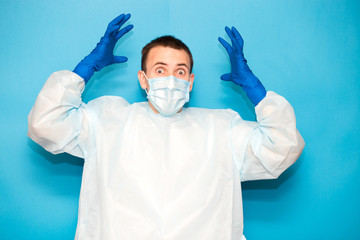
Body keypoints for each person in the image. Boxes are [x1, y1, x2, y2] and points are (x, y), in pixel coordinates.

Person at [28, 13, 304, 240]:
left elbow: (281, 148)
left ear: (191, 81)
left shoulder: (221, 128)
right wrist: (84, 69)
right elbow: (46, 124)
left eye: (180, 71)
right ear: (143, 79)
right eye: (160, 70)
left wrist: (256, 91)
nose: (171, 79)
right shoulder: (107, 119)